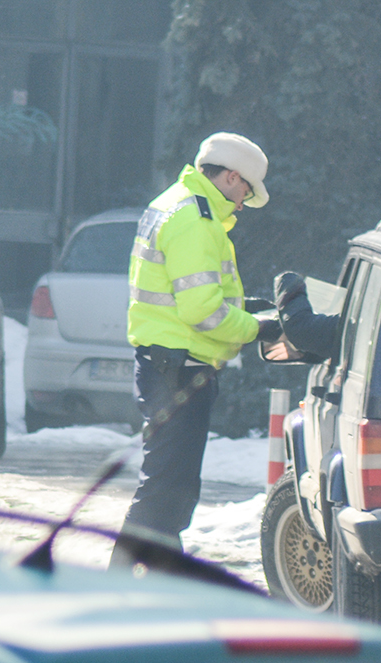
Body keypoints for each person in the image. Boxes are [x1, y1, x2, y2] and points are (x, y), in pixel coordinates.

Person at [114, 132, 282, 563]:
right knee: (167, 485)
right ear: (230, 177)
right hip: (179, 367)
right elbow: (203, 311)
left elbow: (192, 295)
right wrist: (260, 328)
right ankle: (118, 581)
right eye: (245, 189)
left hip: (168, 362)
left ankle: (159, 577)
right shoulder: (196, 221)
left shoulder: (175, 202)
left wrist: (247, 309)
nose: (244, 202)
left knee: (173, 484)